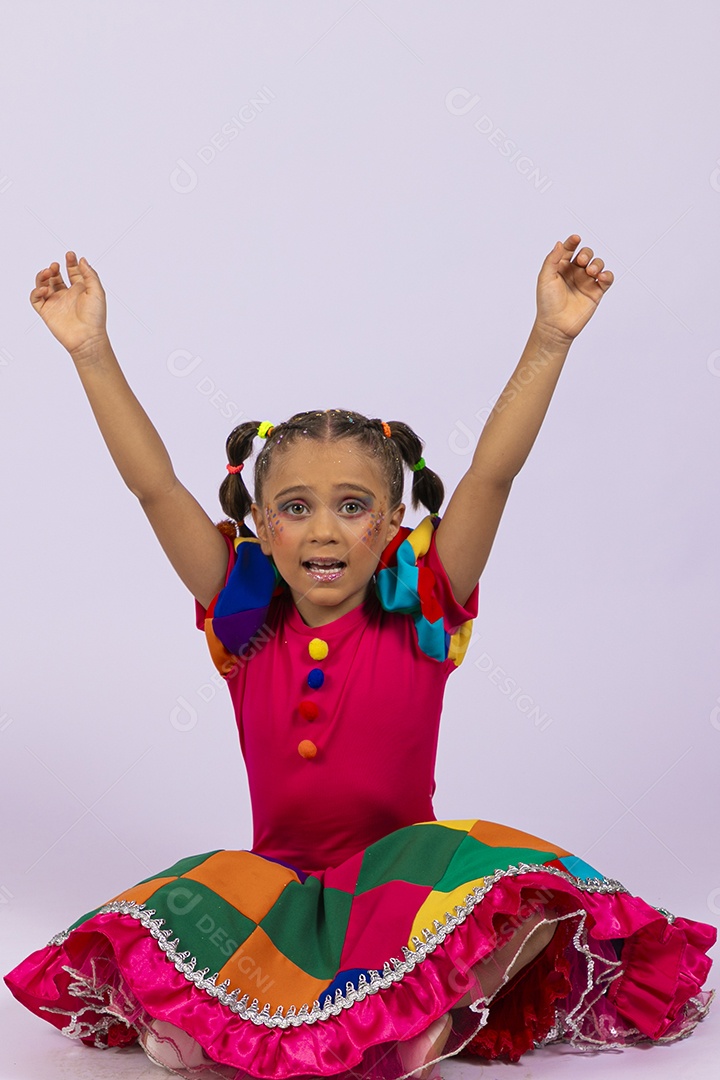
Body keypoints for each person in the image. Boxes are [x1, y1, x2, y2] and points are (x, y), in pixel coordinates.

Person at [5, 237, 716, 1080]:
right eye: (296, 508)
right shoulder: (245, 621)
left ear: (390, 525)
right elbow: (155, 487)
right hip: (274, 891)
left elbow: (493, 473)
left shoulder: (424, 606)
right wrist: (92, 353)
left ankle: (434, 1018)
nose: (324, 531)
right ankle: (205, 1031)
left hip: (403, 893)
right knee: (171, 906)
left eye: (353, 507)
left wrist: (548, 339)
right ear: (263, 529)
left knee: (527, 889)